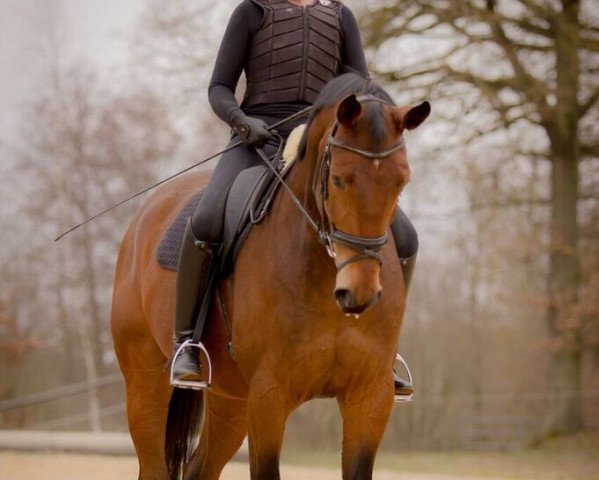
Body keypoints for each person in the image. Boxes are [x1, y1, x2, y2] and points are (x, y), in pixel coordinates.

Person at [171, 0, 418, 398]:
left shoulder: (340, 16)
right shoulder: (252, 11)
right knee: (208, 217)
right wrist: (241, 121)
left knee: (405, 236)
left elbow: (360, 83)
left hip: (322, 140)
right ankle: (188, 344)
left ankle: (385, 352)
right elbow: (219, 87)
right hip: (257, 134)